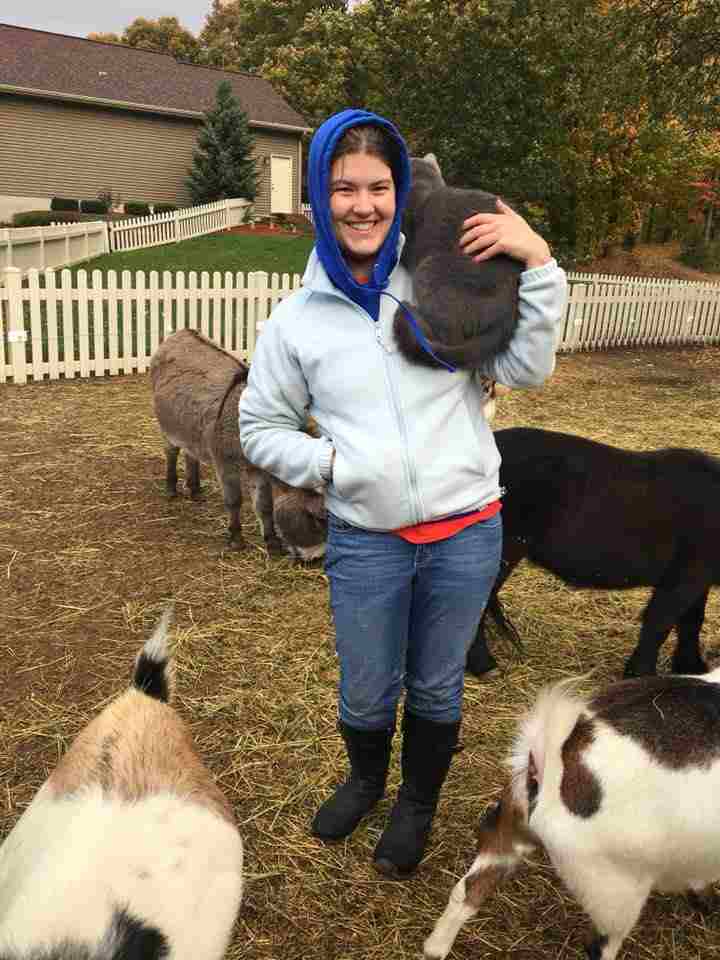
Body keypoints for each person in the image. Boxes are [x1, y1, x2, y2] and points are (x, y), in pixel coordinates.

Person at [239, 108, 567, 879]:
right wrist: (331, 464)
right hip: (366, 539)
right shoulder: (296, 322)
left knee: (436, 683)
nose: (363, 205)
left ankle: (416, 803)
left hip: (466, 532)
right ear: (318, 200)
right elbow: (260, 426)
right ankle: (365, 781)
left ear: (400, 193)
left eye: (378, 187)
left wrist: (541, 264)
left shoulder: (437, 279)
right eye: (343, 188)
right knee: (366, 684)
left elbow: (524, 369)